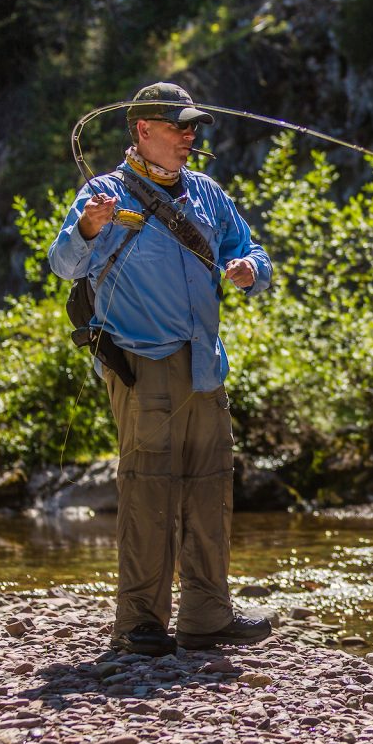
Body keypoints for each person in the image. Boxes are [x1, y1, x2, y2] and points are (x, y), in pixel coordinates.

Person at [49, 82, 274, 656]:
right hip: (141, 363)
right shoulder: (102, 194)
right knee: (148, 490)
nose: (189, 135)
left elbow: (250, 249)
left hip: (206, 365)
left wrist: (250, 268)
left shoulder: (205, 192)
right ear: (143, 130)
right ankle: (140, 621)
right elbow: (62, 263)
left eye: (193, 126)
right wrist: (89, 228)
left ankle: (206, 615)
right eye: (178, 126)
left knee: (210, 487)